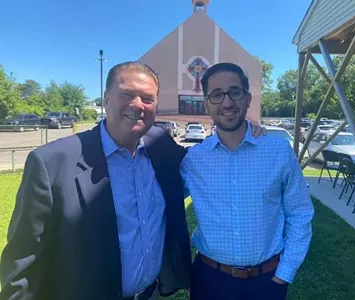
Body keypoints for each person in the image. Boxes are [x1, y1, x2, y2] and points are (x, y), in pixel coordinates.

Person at [0, 61, 266, 300]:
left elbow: (207, 163)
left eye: (148, 99)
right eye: (126, 94)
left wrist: (245, 128)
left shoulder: (162, 146)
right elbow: (22, 262)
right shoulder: (51, 163)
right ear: (106, 99)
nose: (138, 105)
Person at [181, 63, 314, 300]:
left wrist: (284, 275)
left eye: (235, 92)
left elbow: (300, 214)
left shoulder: (279, 152)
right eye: (217, 94)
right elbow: (159, 201)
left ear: (247, 98)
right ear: (207, 103)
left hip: (266, 282)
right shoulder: (193, 159)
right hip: (208, 281)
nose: (227, 102)